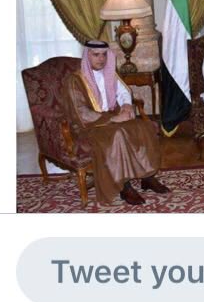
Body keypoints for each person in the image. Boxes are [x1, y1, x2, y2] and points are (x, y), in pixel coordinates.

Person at [64, 41, 169, 206]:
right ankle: (124, 186)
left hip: (113, 118)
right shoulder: (75, 80)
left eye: (104, 55)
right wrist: (112, 119)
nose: (101, 59)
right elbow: (81, 112)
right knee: (118, 135)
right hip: (91, 126)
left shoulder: (109, 72)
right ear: (87, 55)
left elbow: (123, 92)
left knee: (144, 127)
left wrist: (126, 105)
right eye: (96, 55)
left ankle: (148, 177)